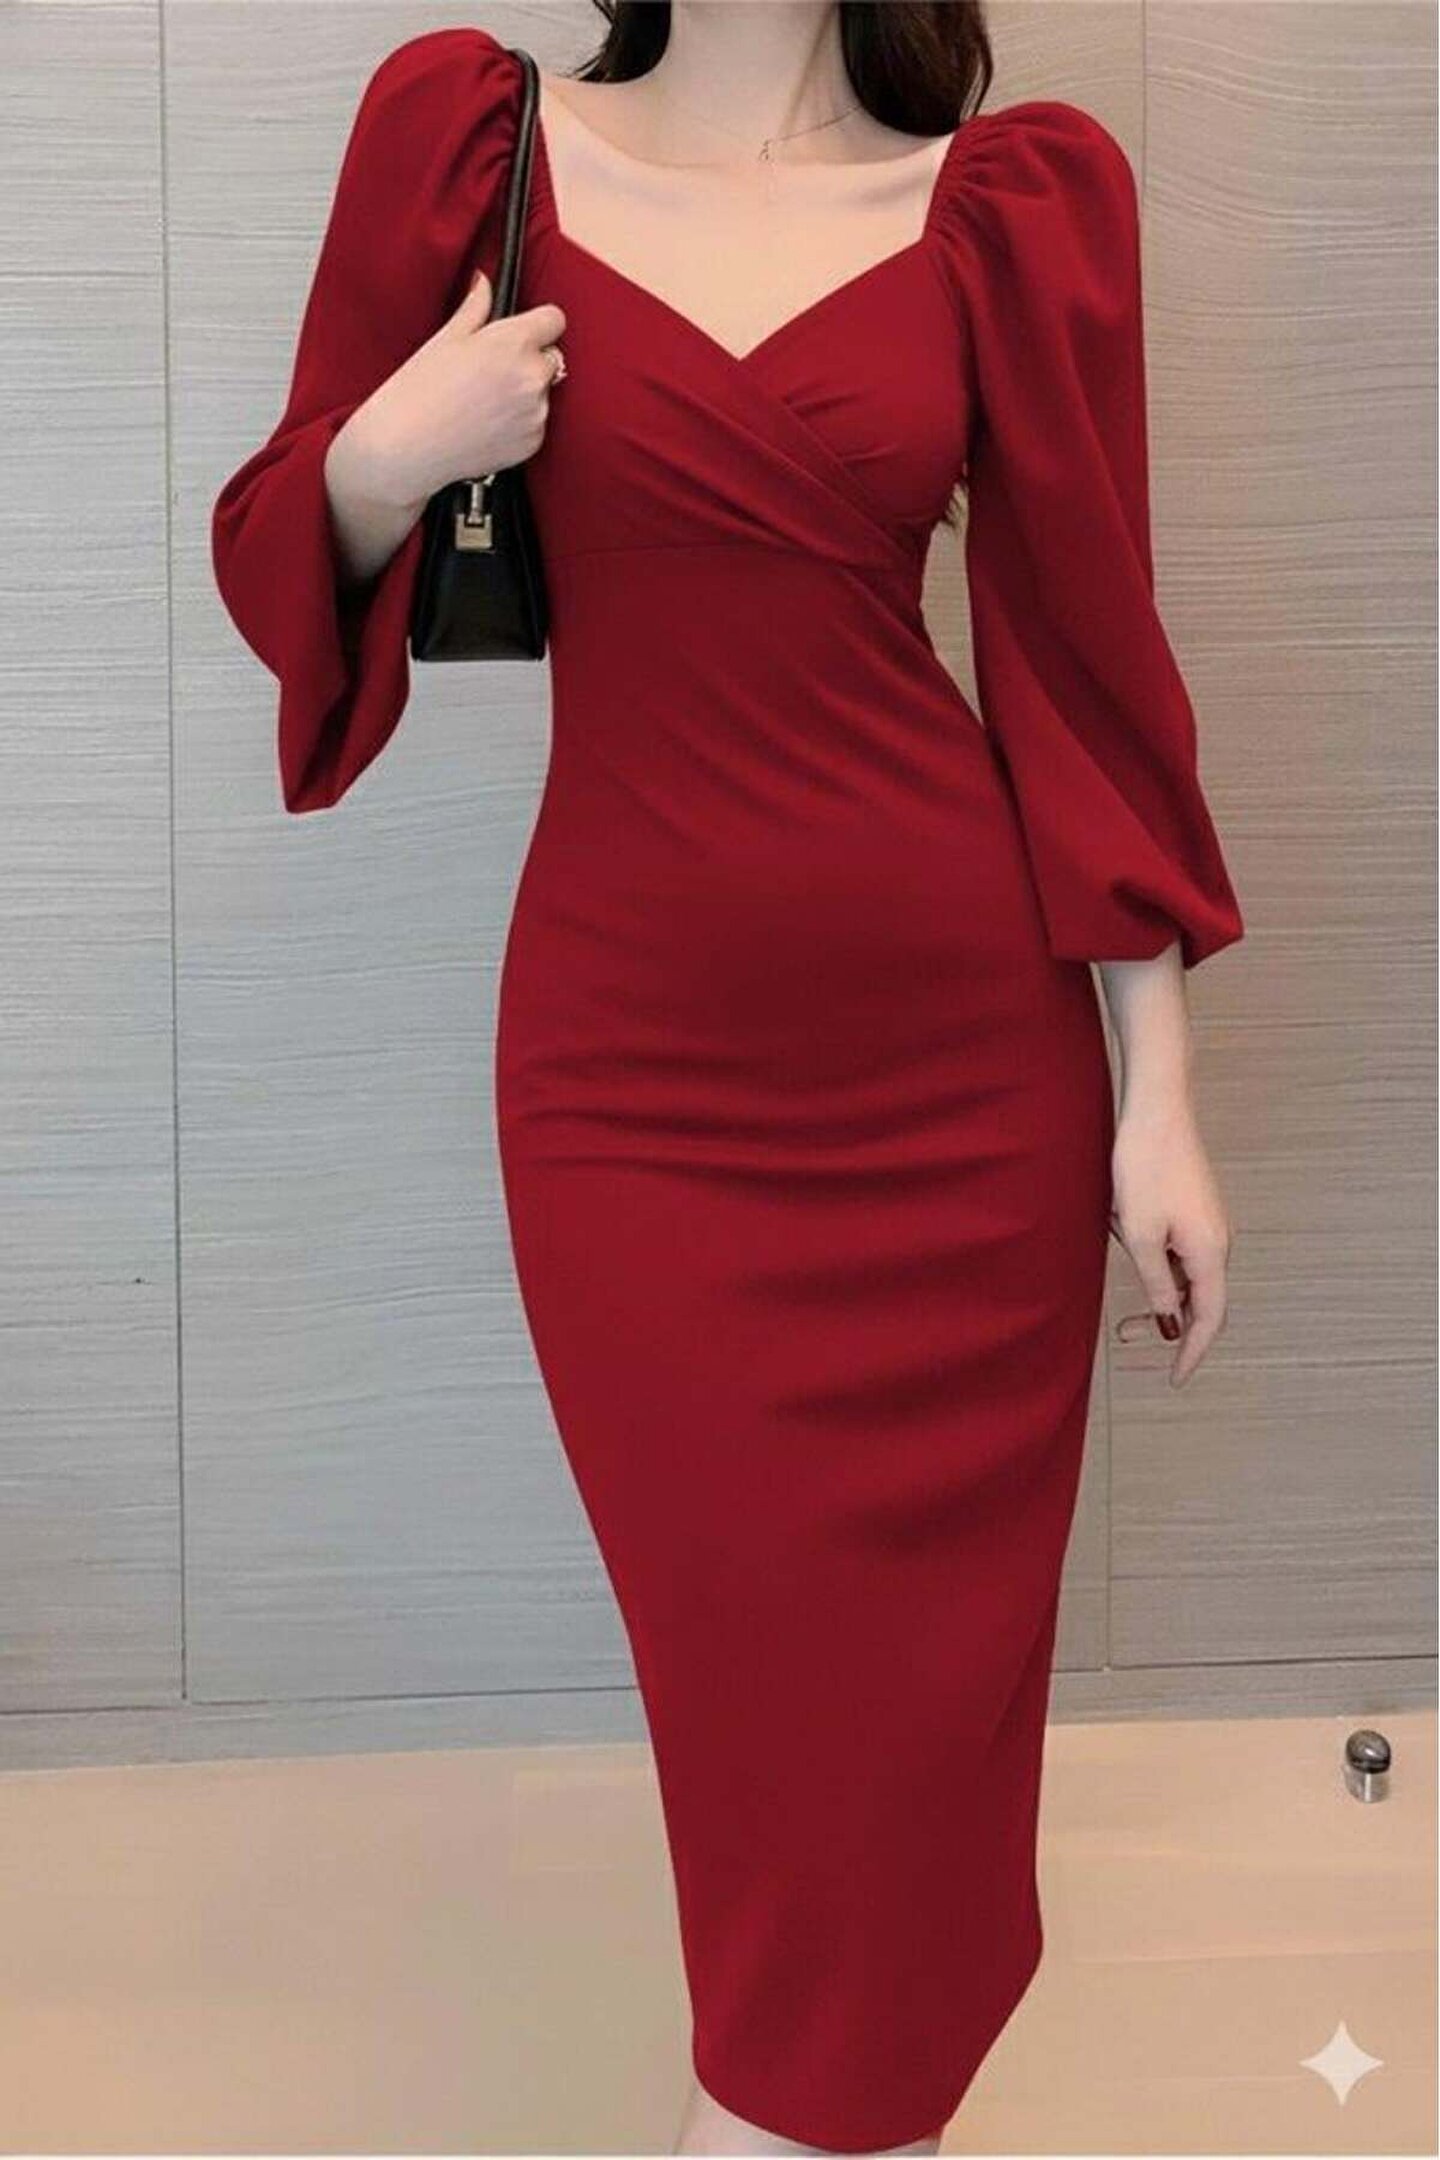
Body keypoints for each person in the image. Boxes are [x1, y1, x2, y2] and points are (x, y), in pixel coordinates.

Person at [210, 4, 1246, 2153]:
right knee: (780, 1766)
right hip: (636, 1101)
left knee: (899, 1806)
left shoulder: (1009, 208)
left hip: (963, 1100)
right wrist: (395, 449)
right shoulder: (474, 144)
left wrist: (1158, 1094)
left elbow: (1083, 662)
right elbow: (278, 544)